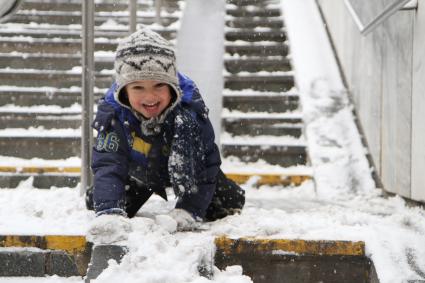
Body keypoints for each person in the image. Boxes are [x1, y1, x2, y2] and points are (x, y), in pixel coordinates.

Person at [86, 28, 245, 231]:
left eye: (159, 85)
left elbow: (207, 166)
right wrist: (108, 211)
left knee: (227, 202)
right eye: (138, 87)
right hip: (137, 176)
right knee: (101, 199)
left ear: (173, 87)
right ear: (123, 90)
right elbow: (108, 165)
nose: (150, 97)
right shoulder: (115, 116)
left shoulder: (190, 114)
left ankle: (219, 200)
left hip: (188, 172)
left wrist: (189, 210)